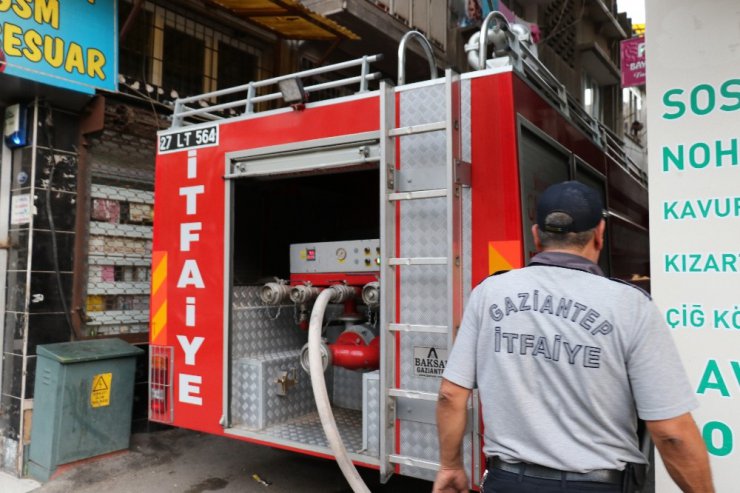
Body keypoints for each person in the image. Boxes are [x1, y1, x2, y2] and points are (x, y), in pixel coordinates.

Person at [433, 181, 713, 493]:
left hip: (507, 482)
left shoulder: (489, 293)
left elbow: (450, 395)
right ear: (600, 234)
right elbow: (671, 432)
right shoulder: (630, 305)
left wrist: (451, 465)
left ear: (537, 234)